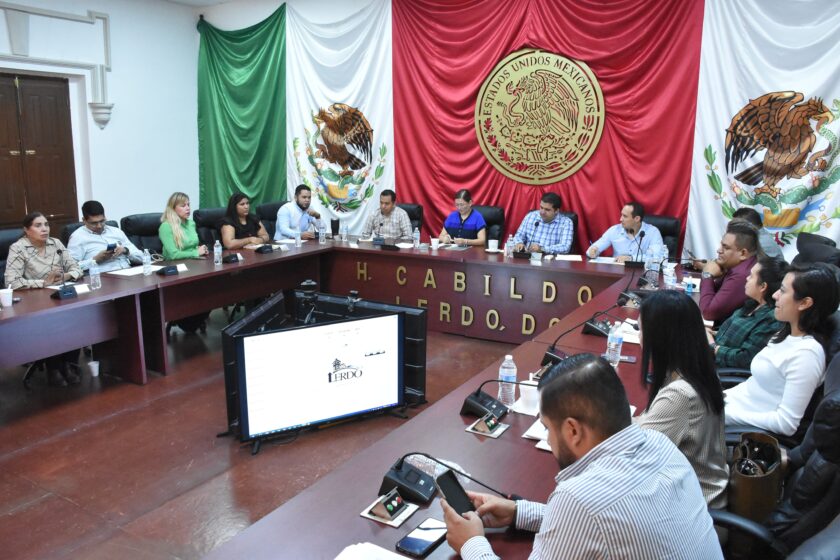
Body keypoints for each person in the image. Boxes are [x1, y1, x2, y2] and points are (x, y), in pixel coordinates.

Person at [441, 353, 722, 560]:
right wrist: (518, 512)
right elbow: (607, 524)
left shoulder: (580, 499)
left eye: (548, 428)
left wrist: (471, 543)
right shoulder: (660, 444)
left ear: (573, 430)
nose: (548, 440)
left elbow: (590, 514)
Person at [634, 290, 728, 508]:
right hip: (690, 489)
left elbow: (635, 456)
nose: (639, 337)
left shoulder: (680, 395)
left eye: (641, 329)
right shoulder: (694, 369)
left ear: (660, 337)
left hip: (695, 507)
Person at [725, 262, 840, 436]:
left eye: (783, 291)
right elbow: (753, 388)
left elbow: (786, 424)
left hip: (737, 423)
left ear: (804, 303)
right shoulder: (785, 333)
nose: (775, 295)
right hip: (730, 406)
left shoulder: (807, 355)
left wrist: (724, 415)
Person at [4, 212, 83, 386]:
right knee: (52, 321)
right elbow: (12, 282)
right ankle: (53, 367)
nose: (44, 229)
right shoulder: (18, 248)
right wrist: (43, 282)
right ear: (27, 230)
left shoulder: (56, 243)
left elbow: (77, 267)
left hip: (59, 294)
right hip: (33, 300)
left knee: (77, 315)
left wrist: (67, 275)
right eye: (38, 225)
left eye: (46, 224)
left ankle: (69, 364)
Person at [709, 256, 784, 369]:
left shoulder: (771, 319)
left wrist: (712, 345)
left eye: (751, 276)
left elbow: (745, 358)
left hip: (720, 368)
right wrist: (711, 333)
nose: (747, 278)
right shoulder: (752, 304)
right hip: (711, 356)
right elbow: (734, 335)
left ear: (763, 286)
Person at [699, 220, 759, 324]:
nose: (719, 250)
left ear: (743, 253)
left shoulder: (742, 275)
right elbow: (716, 293)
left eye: (725, 247)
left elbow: (708, 313)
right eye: (721, 245)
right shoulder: (742, 264)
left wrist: (707, 275)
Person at [68, 200, 143, 272]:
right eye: (94, 223)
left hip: (128, 272)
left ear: (105, 217)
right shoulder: (77, 237)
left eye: (102, 221)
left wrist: (125, 251)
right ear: (84, 220)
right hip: (103, 276)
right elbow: (71, 268)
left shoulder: (116, 231)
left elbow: (142, 258)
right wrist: (95, 260)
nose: (99, 226)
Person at [586, 201, 663, 262]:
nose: (620, 219)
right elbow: (593, 249)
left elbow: (657, 256)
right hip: (617, 272)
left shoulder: (653, 232)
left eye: (625, 216)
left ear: (637, 219)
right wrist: (593, 251)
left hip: (642, 273)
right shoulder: (614, 230)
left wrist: (631, 258)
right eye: (621, 215)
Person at [158, 192, 208, 260]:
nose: (188, 208)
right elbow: (173, 255)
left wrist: (201, 249)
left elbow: (191, 247)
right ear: (173, 208)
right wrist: (196, 252)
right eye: (183, 206)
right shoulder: (166, 227)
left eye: (188, 205)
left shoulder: (191, 223)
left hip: (193, 261)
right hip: (173, 264)